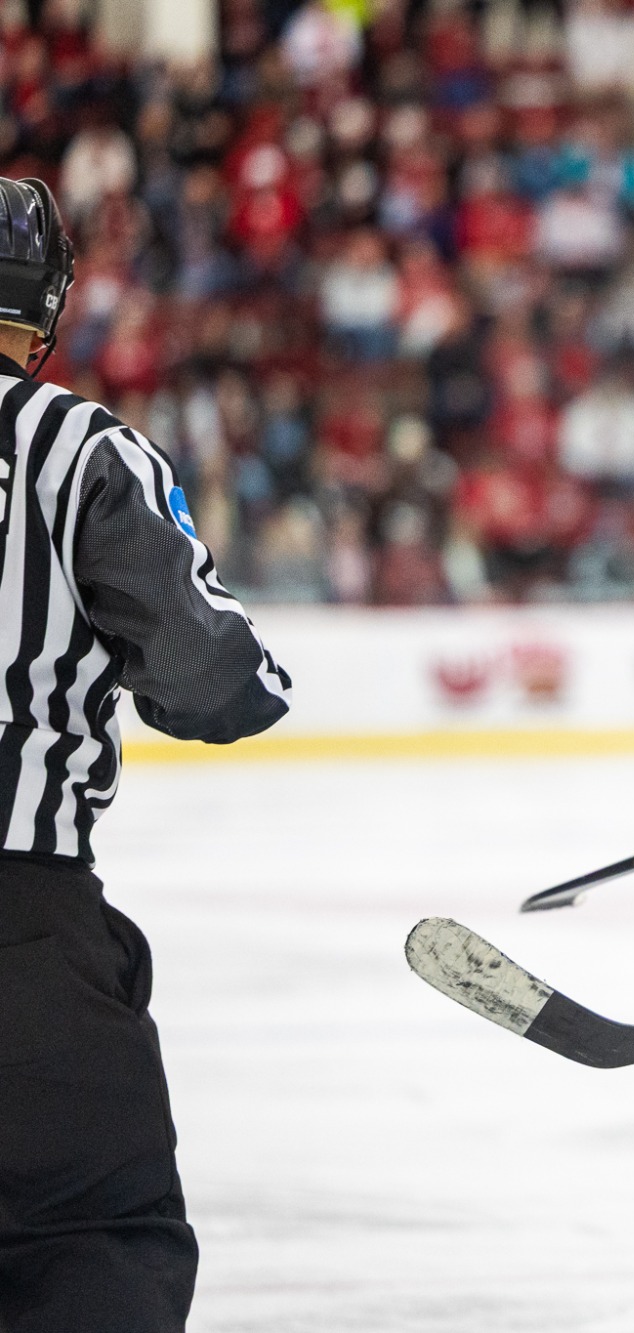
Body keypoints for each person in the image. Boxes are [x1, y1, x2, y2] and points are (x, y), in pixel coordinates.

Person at [0, 178, 290, 1331]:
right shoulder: (73, 447)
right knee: (91, 1248)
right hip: (22, 933)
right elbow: (222, 684)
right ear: (46, 303)